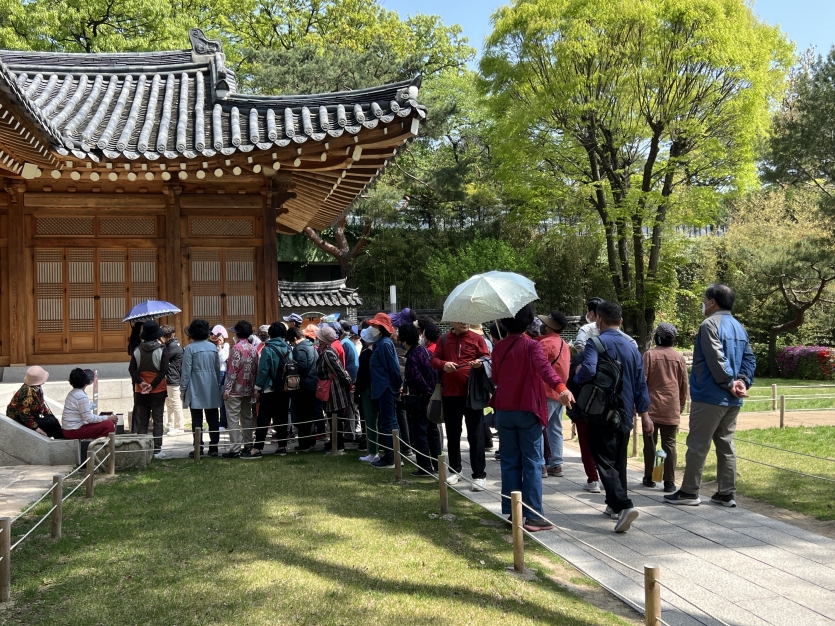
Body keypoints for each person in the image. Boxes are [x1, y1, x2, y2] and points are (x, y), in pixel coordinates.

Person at [665, 284, 756, 508]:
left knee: (697, 444)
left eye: (705, 299)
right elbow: (749, 359)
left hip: (709, 395)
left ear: (713, 301)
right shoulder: (739, 327)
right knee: (726, 445)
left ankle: (689, 492)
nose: (703, 303)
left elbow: (715, 358)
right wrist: (742, 382)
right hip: (733, 398)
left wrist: (728, 383)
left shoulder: (709, 325)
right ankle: (726, 493)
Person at [492, 304, 574, 532]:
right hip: (528, 409)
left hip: (504, 410)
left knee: (509, 463)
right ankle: (533, 515)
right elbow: (547, 370)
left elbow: (496, 376)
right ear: (529, 324)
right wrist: (561, 388)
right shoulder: (532, 346)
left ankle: (511, 512)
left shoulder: (498, 348)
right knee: (532, 463)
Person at [574, 301, 652, 533]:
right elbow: (640, 383)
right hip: (626, 411)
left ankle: (624, 505)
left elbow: (588, 370)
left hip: (601, 411)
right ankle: (614, 505)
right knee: (619, 460)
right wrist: (645, 414)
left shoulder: (594, 343)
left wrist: (577, 376)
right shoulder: (632, 348)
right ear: (621, 321)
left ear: (598, 319)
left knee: (603, 460)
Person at [431, 319, 490, 490]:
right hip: (450, 394)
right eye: (460, 319)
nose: (465, 322)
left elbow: (487, 358)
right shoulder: (444, 339)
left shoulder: (477, 338)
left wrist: (479, 364)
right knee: (453, 434)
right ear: (452, 321)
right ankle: (455, 469)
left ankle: (479, 475)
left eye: (467, 319)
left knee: (476, 435)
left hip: (472, 394)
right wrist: (444, 364)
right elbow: (434, 360)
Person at [642, 323, 688, 492]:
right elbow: (684, 384)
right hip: (671, 407)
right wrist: (681, 404)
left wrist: (639, 405)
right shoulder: (679, 358)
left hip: (651, 408)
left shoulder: (649, 355)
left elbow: (642, 381)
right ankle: (669, 481)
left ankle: (650, 477)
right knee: (670, 445)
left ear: (658, 337)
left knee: (650, 444)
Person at [399, 322, 440, 477]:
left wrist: (427, 392)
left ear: (404, 340)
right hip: (431, 399)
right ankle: (437, 464)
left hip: (420, 400)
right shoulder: (426, 351)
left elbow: (417, 380)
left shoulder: (412, 357)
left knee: (420, 434)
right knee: (433, 432)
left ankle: (424, 467)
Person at [181, 319, 222, 457]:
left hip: (195, 385)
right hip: (211, 385)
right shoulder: (213, 348)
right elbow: (217, 369)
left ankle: (198, 447)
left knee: (196, 419)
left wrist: (183, 388)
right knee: (213, 418)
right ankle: (214, 446)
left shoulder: (190, 348)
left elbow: (186, 371)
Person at [129, 321, 170, 458]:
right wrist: (152, 385)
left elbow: (132, 370)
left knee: (143, 420)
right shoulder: (162, 349)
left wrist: (141, 383)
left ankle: (141, 449)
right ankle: (157, 450)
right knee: (158, 420)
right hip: (157, 389)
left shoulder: (137, 350)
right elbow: (164, 370)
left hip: (141, 390)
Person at [538, 311, 571, 478]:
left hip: (545, 390)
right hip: (560, 392)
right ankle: (556, 463)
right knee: (555, 428)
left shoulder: (545, 344)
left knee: (539, 427)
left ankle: (541, 464)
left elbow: (537, 367)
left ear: (550, 327)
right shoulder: (564, 344)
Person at [368, 313, 403, 469]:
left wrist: (398, 385)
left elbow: (394, 368)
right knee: (388, 422)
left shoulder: (385, 344)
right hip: (383, 387)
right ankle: (391, 455)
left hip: (386, 388)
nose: (372, 328)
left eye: (374, 326)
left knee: (389, 423)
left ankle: (391, 457)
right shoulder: (381, 343)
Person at [222, 321, 260, 459]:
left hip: (235, 389)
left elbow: (232, 371)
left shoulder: (236, 348)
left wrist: (226, 390)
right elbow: (256, 370)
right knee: (247, 417)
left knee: (233, 418)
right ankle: (248, 444)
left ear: (237, 333)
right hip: (249, 388)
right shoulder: (254, 349)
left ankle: (235, 448)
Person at [253, 322, 292, 458]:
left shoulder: (268, 349)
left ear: (270, 334)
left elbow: (263, 371)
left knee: (263, 418)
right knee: (281, 417)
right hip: (285, 387)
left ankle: (257, 448)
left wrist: (257, 387)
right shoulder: (288, 348)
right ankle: (282, 446)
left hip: (269, 387)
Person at [565, 351, 601, 494]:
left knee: (586, 446)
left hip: (583, 407)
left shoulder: (579, 358)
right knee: (601, 445)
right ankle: (604, 477)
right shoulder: (607, 355)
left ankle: (593, 479)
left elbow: (571, 383)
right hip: (602, 408)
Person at [316, 324, 354, 454]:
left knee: (335, 419)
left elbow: (339, 371)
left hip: (334, 391)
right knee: (334, 419)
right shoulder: (328, 351)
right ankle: (335, 445)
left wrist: (349, 383)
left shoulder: (328, 353)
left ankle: (338, 446)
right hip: (332, 390)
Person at [5, 366, 64, 438]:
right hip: (20, 420)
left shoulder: (36, 388)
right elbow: (24, 414)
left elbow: (42, 406)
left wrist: (52, 417)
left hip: (32, 416)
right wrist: (35, 428)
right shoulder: (27, 391)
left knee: (53, 420)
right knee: (52, 424)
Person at [61, 368, 117, 440]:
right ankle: (100, 446)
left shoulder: (73, 393)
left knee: (102, 421)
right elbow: (89, 418)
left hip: (69, 429)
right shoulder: (81, 396)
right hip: (73, 430)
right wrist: (108, 417)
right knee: (108, 424)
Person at [288, 326, 318, 451]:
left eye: (290, 341)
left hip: (303, 387)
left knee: (302, 416)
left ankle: (304, 443)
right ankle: (311, 441)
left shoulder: (299, 349)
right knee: (310, 415)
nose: (291, 344)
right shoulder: (311, 346)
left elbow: (300, 367)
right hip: (313, 384)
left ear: (295, 338)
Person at [574, 297, 638, 351]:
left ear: (591, 313)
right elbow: (633, 344)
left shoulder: (586, 328)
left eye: (587, 311)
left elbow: (579, 344)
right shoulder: (616, 329)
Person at [356, 326, 380, 462]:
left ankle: (373, 452)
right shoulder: (378, 350)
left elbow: (361, 376)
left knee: (371, 421)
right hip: (378, 388)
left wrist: (356, 394)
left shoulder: (366, 354)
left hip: (367, 389)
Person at [161, 325, 184, 436]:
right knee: (170, 402)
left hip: (174, 378)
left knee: (175, 403)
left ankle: (179, 427)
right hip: (170, 377)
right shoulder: (171, 344)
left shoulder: (173, 346)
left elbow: (163, 360)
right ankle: (171, 426)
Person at [210, 325, 230, 430]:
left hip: (223, 372)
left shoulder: (226, 345)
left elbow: (223, 358)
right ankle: (214, 423)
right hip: (213, 372)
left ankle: (223, 423)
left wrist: (220, 347)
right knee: (213, 398)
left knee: (223, 399)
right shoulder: (210, 345)